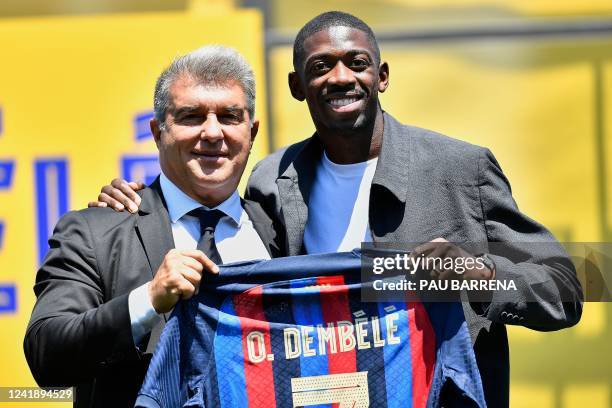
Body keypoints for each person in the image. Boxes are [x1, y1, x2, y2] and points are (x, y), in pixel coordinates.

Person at [94, 11, 583, 407]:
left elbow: (570, 283)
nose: (341, 77)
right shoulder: (272, 179)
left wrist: (475, 274)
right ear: (296, 86)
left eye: (357, 62)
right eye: (321, 66)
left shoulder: (460, 168)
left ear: (382, 76)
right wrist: (146, 200)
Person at [24, 45, 280, 408]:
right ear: (158, 132)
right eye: (191, 116)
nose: (212, 132)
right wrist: (146, 300)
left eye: (229, 116)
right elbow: (47, 353)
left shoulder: (282, 231)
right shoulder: (95, 233)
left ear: (251, 132)